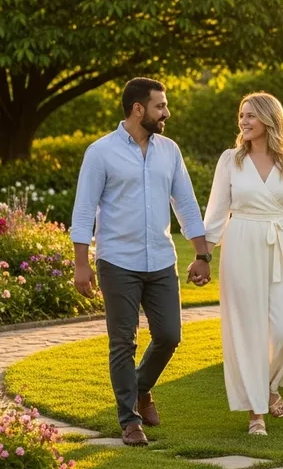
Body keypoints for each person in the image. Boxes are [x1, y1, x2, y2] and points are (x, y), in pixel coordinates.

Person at [70, 77, 212, 447]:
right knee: (123, 342)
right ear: (138, 109)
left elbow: (186, 204)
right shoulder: (100, 152)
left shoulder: (169, 151)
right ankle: (130, 421)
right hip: (117, 261)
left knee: (169, 335)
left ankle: (141, 387)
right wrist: (81, 263)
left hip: (161, 260)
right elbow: (84, 210)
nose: (167, 113)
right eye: (160, 106)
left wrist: (202, 254)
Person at [203, 92, 283, 436]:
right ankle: (256, 414)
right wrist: (202, 257)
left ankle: (269, 385)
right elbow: (216, 214)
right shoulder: (231, 160)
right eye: (242, 115)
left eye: (251, 115)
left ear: (269, 119)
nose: (244, 121)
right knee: (248, 331)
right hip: (241, 244)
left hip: (281, 245)